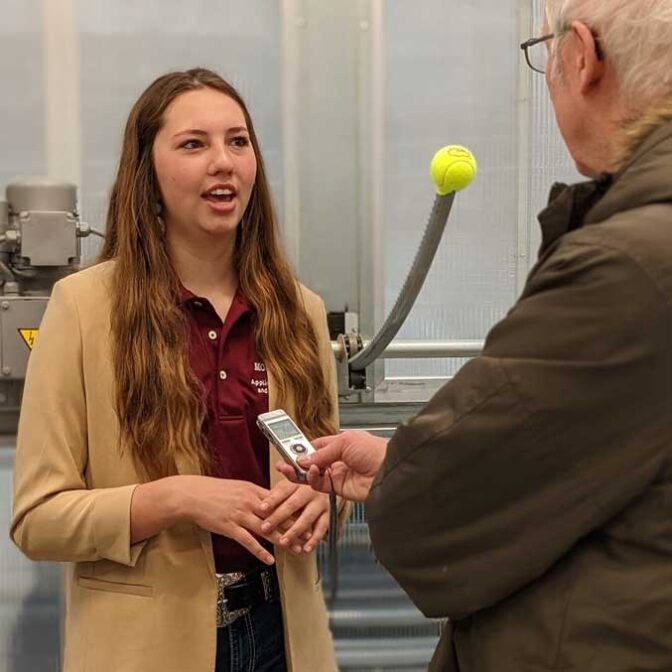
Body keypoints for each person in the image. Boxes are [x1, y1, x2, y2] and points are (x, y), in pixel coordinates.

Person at [274, 1, 672, 670]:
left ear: (581, 56)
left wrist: (411, 476)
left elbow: (444, 502)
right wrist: (404, 458)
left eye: (542, 51)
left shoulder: (629, 262)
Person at [11, 68, 346, 672]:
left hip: (283, 637)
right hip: (144, 649)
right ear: (149, 171)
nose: (224, 161)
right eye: (194, 144)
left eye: (238, 141)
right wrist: (174, 499)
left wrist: (322, 500)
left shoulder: (301, 311)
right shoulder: (84, 310)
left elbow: (325, 472)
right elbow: (38, 519)